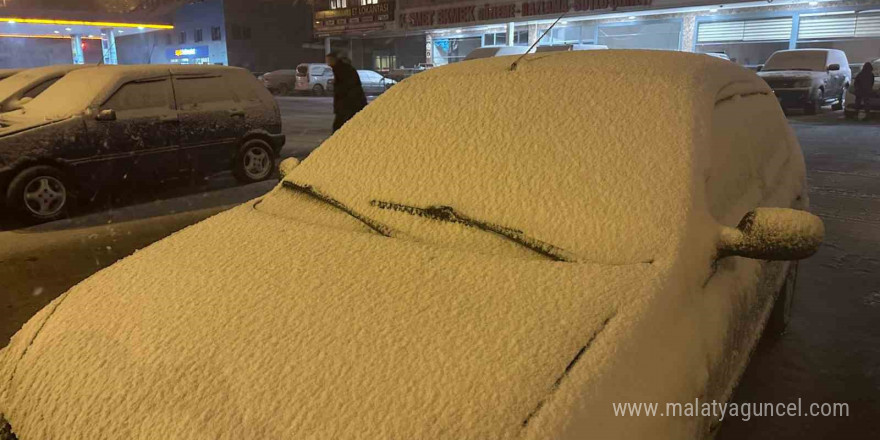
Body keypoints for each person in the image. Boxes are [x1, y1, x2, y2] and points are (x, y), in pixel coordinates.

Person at [326, 52, 367, 133]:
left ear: (334, 59)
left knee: (339, 125)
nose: (327, 63)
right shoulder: (342, 68)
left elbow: (345, 87)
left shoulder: (341, 69)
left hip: (349, 102)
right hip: (351, 102)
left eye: (329, 60)